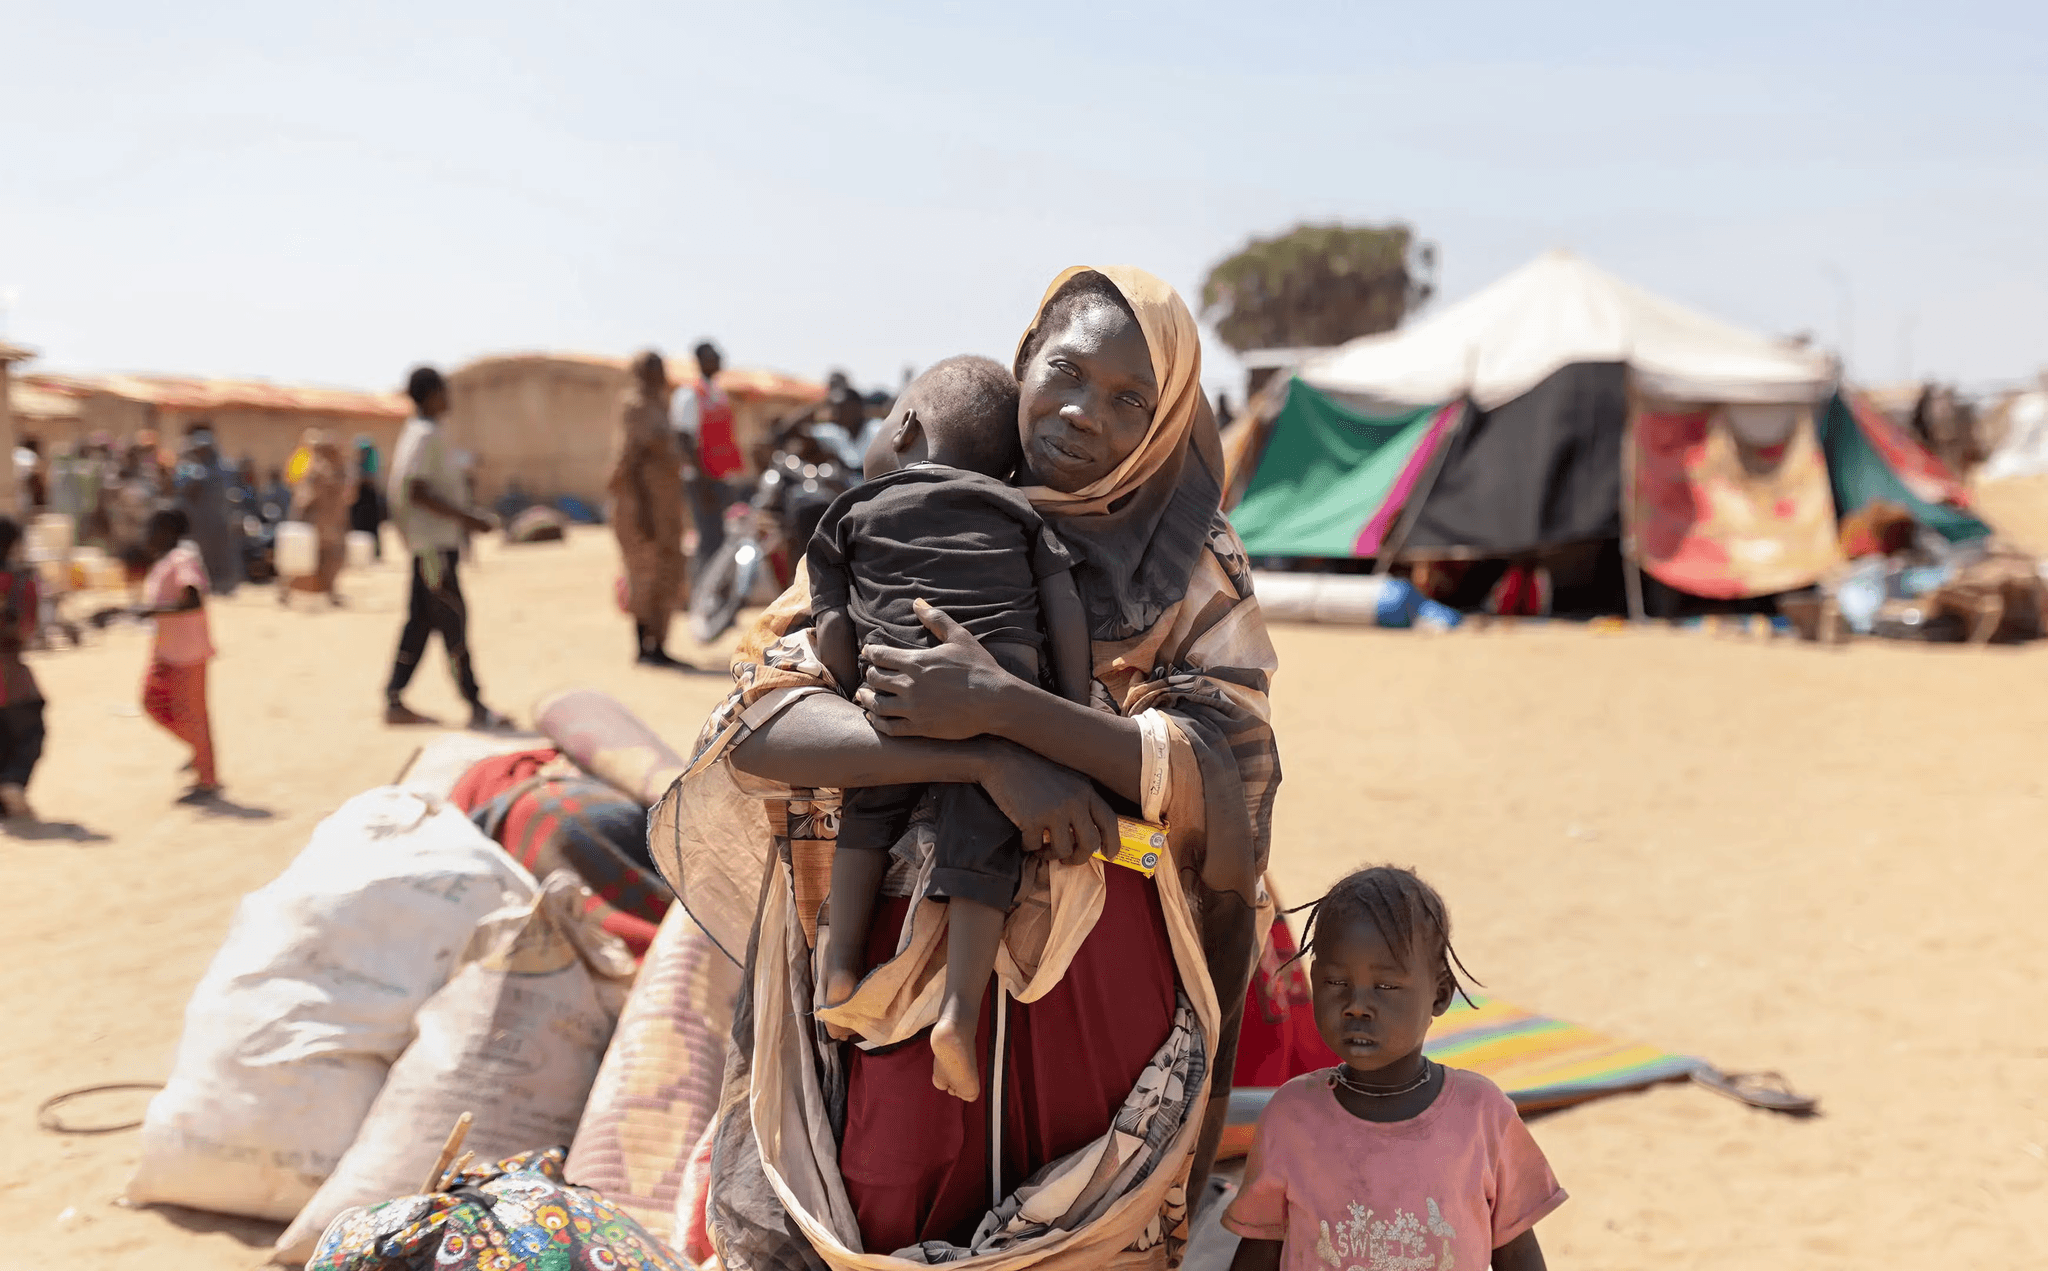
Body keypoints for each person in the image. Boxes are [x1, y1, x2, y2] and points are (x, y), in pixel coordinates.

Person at [652, 266, 1279, 1261]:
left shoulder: (1189, 555)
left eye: (1131, 401)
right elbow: (760, 721)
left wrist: (1004, 706)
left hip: (1101, 976)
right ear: (1024, 358)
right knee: (888, 1191)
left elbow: (1227, 773)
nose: (1085, 413)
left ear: (1165, 423)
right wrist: (989, 758)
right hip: (887, 961)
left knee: (1075, 1227)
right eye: (1066, 372)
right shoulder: (918, 509)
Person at [808, 355, 1092, 1100]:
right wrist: (1069, 707)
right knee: (985, 843)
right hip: (1001, 690)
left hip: (897, 692)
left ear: (905, 427)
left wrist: (847, 686)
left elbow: (832, 629)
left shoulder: (850, 511)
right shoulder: (1016, 511)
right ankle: (959, 1017)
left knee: (865, 817)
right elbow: (1063, 608)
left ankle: (840, 971)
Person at [1223, 867, 1565, 1271]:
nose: (1356, 1005)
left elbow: (1519, 1254)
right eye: (1336, 982)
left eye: (1385, 986)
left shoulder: (1482, 1115)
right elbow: (1259, 1252)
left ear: (1440, 994)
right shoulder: (1290, 1116)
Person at [383, 366, 511, 730]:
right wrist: (467, 518)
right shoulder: (425, 435)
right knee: (453, 618)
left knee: (421, 622)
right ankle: (476, 704)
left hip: (429, 546)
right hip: (434, 548)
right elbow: (416, 491)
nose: (449, 398)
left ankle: (394, 700)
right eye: (444, 391)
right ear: (431, 395)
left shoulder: (421, 432)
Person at [609, 350, 688, 668]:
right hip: (642, 507)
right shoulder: (636, 406)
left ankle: (659, 644)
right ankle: (643, 647)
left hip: (665, 507)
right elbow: (630, 460)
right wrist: (641, 509)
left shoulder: (660, 405)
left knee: (669, 573)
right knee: (644, 573)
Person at [138, 508, 220, 803]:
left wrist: (153, 611)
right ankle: (198, 752)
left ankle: (206, 779)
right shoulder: (166, 562)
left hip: (188, 653)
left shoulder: (182, 558)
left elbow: (193, 599)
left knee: (193, 715)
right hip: (167, 650)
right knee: (153, 701)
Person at [672, 341, 743, 566]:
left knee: (722, 538)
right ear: (702, 360)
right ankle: (702, 583)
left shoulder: (718, 394)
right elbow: (683, 440)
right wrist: (702, 480)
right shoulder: (689, 395)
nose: (720, 359)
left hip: (720, 477)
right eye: (714, 356)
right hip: (701, 480)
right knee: (709, 538)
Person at [0, 518, 45, 819]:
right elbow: (27, 629)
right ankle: (13, 781)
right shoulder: (21, 582)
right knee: (31, 729)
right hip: (10, 673)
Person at [173, 425, 243, 596]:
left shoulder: (223, 467)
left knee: (222, 554)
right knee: (200, 555)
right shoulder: (188, 468)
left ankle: (225, 585)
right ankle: (204, 584)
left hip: (218, 520)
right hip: (197, 523)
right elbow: (182, 488)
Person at [286, 430, 350, 605]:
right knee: (309, 562)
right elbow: (305, 497)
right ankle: (288, 590)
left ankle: (330, 592)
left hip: (332, 526)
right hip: (319, 525)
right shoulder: (317, 470)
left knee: (332, 561)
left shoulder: (338, 470)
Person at [349, 437, 386, 560]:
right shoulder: (359, 463)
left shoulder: (368, 462)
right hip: (364, 497)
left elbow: (368, 478)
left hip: (367, 497)